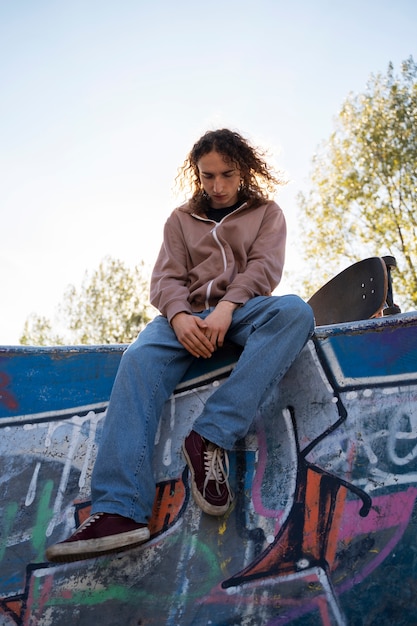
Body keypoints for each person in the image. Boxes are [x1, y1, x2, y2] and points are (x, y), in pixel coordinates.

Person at [46, 128, 315, 563]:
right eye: (207, 176)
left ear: (243, 170)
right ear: (197, 174)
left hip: (242, 312)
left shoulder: (267, 213)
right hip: (181, 318)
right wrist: (178, 316)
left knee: (295, 313)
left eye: (227, 175)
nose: (218, 186)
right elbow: (165, 279)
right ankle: (119, 510)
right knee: (137, 358)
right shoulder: (180, 220)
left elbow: (265, 268)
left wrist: (228, 307)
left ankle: (210, 435)